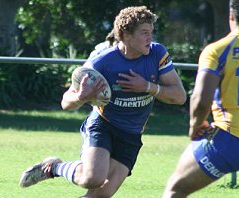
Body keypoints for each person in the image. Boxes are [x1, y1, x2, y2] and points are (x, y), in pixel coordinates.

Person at [19, 6, 186, 198]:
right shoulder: (101, 62)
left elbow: (179, 97)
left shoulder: (157, 54)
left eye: (151, 33)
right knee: (92, 178)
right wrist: (81, 97)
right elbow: (66, 102)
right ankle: (54, 167)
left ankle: (54, 168)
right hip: (103, 125)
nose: (150, 38)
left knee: (100, 196)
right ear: (125, 35)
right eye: (144, 33)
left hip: (132, 134)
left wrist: (148, 87)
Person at [162, 0, 239, 197]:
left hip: (227, 140)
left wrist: (196, 126)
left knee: (175, 188)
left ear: (231, 15)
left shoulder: (218, 49)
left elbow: (201, 99)